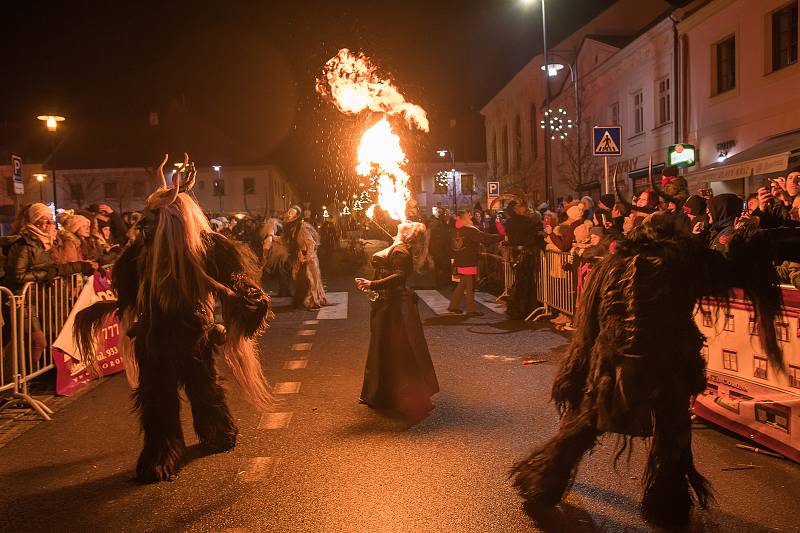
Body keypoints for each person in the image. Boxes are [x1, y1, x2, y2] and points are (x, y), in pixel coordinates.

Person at [510, 210, 798, 529]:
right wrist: (751, 236)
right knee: (671, 433)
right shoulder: (685, 261)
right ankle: (668, 506)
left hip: (614, 357)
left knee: (588, 422)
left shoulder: (614, 263)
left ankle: (544, 482)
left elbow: (591, 323)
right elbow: (736, 269)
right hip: (668, 362)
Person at [74, 154, 271, 483]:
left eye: (155, 217)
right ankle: (163, 451)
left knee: (203, 386)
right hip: (156, 334)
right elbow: (127, 284)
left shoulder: (205, 247)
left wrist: (247, 296)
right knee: (156, 394)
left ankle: (216, 429)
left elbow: (235, 276)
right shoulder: (141, 253)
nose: (147, 225)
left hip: (195, 330)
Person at [355, 222, 438, 421]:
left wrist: (372, 284)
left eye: (409, 223)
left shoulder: (401, 251)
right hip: (389, 303)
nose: (405, 221)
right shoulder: (398, 245)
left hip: (396, 307)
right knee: (385, 348)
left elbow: (400, 276)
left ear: (408, 234)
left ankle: (403, 398)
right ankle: (385, 394)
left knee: (398, 351)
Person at [448, 209, 503, 316]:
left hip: (459, 260)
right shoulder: (470, 230)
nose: (470, 218)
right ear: (464, 218)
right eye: (468, 216)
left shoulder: (456, 230)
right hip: (468, 261)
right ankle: (471, 309)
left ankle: (453, 306)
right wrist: (501, 236)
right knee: (470, 286)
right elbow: (485, 238)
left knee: (462, 284)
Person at [283, 206, 327, 310]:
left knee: (309, 279)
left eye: (291, 212)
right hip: (298, 258)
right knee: (298, 279)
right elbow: (284, 242)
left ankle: (310, 301)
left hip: (306, 258)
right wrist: (271, 237)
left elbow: (311, 242)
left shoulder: (302, 227)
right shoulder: (290, 229)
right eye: (289, 212)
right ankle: (301, 300)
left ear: (296, 216)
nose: (289, 214)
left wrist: (308, 257)